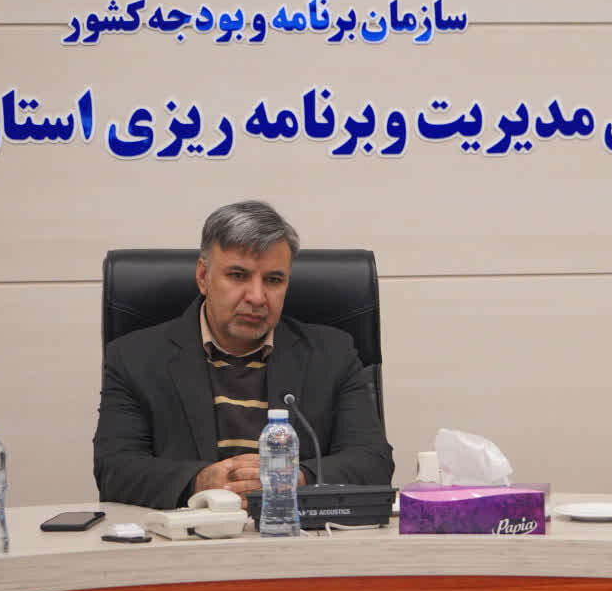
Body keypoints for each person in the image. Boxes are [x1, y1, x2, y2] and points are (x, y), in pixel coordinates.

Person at [93, 200, 394, 508]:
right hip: (190, 532)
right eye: (238, 275)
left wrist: (297, 478)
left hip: (293, 530)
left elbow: (374, 462)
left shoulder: (332, 355)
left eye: (273, 280)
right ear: (203, 277)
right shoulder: (134, 358)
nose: (257, 297)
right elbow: (114, 470)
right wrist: (199, 481)